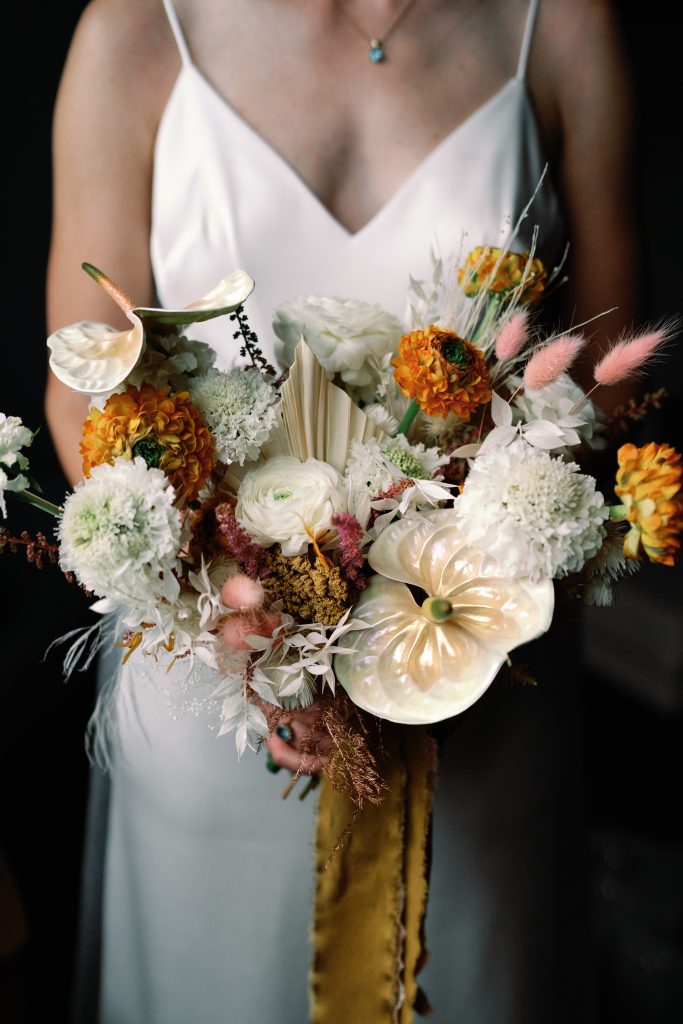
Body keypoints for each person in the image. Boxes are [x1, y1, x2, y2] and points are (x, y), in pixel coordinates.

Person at [45, 1, 641, 1021]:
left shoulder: (559, 25)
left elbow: (613, 378)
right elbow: (82, 391)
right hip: (215, 684)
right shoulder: (134, 30)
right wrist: (235, 611)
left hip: (480, 671)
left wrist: (453, 563)